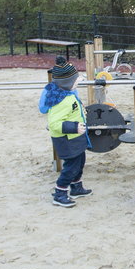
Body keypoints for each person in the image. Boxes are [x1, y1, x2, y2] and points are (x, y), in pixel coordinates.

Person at [38, 56, 91, 208]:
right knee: (71, 167)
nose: (78, 81)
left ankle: (76, 187)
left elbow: (73, 110)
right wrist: (74, 127)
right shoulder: (61, 101)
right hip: (67, 139)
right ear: (67, 83)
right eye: (76, 80)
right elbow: (54, 124)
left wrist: (82, 112)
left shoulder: (69, 95)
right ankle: (60, 193)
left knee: (80, 163)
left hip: (76, 138)